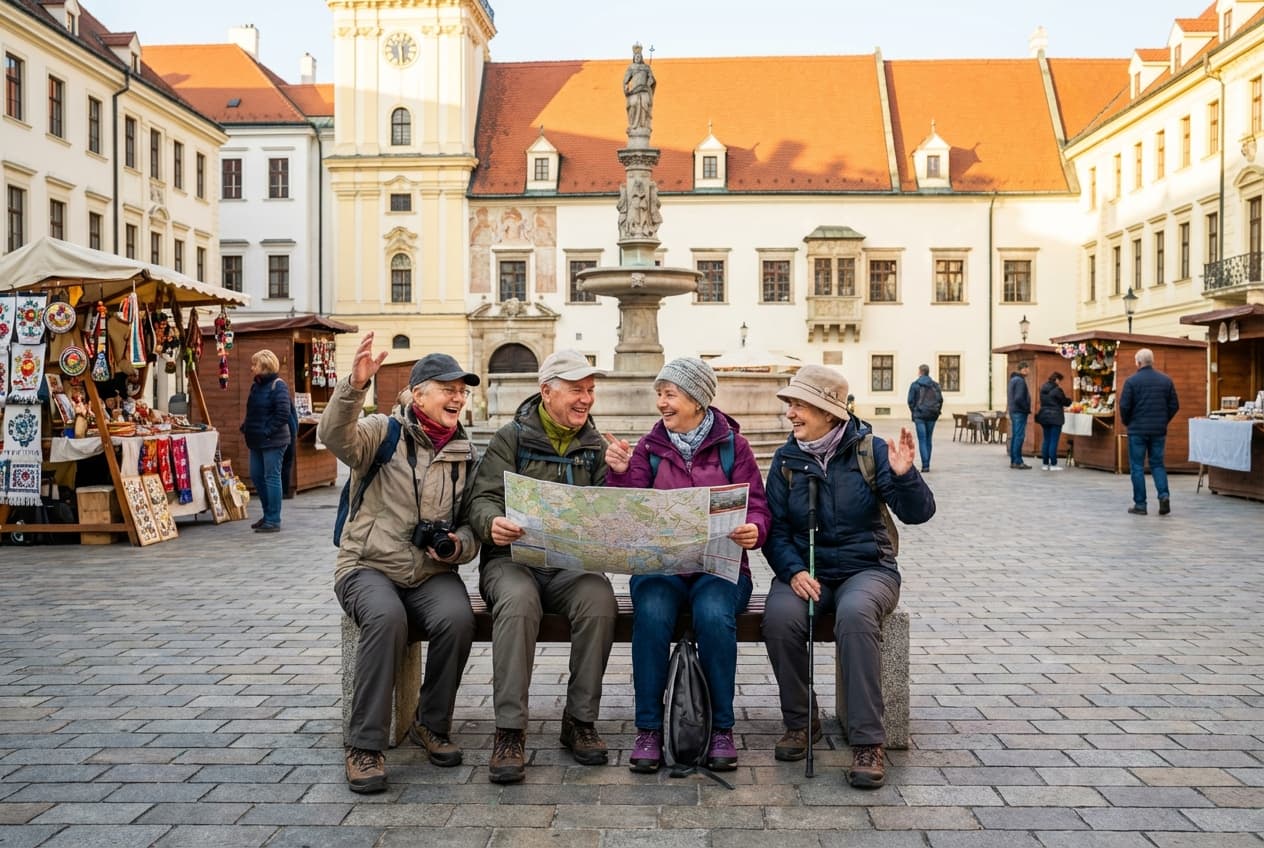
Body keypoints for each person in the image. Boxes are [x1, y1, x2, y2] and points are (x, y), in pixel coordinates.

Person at [318, 333, 481, 794]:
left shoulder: (465, 453)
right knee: (387, 619)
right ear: (417, 394)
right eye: (447, 387)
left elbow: (471, 525)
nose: (457, 396)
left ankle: (433, 723)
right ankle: (364, 745)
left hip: (430, 573)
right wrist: (354, 386)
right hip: (366, 565)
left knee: (457, 617)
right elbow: (334, 437)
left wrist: (455, 546)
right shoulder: (382, 432)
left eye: (462, 390)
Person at [761, 365, 935, 788]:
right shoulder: (787, 460)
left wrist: (904, 476)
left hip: (869, 569)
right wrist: (793, 570)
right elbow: (775, 529)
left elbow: (919, 514)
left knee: (855, 616)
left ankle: (867, 741)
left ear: (828, 411)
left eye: (799, 405)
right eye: (791, 406)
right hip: (807, 571)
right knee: (780, 618)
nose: (791, 414)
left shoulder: (870, 452)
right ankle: (802, 722)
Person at [604, 357, 771, 773]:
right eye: (659, 394)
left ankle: (721, 730)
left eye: (670, 394)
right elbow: (628, 512)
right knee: (653, 611)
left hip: (720, 567)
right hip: (662, 569)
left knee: (714, 614)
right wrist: (622, 475)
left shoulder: (735, 446)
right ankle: (649, 730)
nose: (661, 402)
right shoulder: (648, 447)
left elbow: (760, 508)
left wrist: (754, 529)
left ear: (697, 399)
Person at [467, 349, 617, 784]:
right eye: (576, 390)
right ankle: (510, 730)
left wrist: (623, 475)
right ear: (546, 391)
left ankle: (580, 721)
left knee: (599, 597)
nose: (586, 399)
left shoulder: (596, 447)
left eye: (590, 391)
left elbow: (613, 510)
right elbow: (482, 499)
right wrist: (490, 523)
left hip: (569, 564)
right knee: (517, 601)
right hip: (511, 561)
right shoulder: (509, 438)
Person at [1119, 348, 1179, 515]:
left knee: (1137, 466)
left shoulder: (1131, 381)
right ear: (1152, 361)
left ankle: (1140, 504)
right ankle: (1164, 496)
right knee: (1158, 464)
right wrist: (1163, 420)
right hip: (1158, 430)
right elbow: (1174, 405)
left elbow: (1124, 406)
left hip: (1137, 430)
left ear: (1138, 363)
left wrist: (1127, 421)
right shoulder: (1166, 380)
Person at [240, 349, 293, 532]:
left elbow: (283, 413)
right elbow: (253, 410)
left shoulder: (278, 386)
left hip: (273, 440)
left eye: (254, 364)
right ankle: (267, 514)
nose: (252, 368)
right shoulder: (256, 386)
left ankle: (273, 519)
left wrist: (266, 430)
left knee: (271, 477)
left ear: (264, 366)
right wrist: (246, 426)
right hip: (256, 439)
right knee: (256, 475)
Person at [906, 364, 942, 472]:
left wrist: (914, 412)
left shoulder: (915, 385)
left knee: (922, 439)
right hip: (932, 415)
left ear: (920, 372)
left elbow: (910, 401)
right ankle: (927, 463)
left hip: (920, 416)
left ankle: (925, 465)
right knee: (928, 439)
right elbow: (940, 400)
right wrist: (937, 411)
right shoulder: (935, 385)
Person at [1035, 371, 1072, 471]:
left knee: (1046, 440)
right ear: (1056, 380)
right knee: (1053, 440)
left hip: (1044, 416)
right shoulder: (1057, 390)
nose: (1060, 383)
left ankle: (1045, 463)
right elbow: (1065, 401)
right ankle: (1053, 464)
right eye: (1059, 380)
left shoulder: (1043, 388)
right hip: (1055, 417)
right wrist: (1070, 401)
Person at [622, 42, 655, 135]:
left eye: (639, 57)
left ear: (641, 58)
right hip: (634, 91)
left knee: (645, 104)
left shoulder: (646, 67)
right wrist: (626, 88)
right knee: (632, 105)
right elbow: (625, 80)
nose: (637, 58)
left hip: (644, 90)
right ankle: (633, 125)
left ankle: (643, 125)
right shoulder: (631, 67)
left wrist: (650, 82)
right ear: (634, 58)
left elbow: (651, 78)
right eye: (636, 57)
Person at [1007, 361, 1032, 469]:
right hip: (1019, 412)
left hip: (1014, 411)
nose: (1029, 371)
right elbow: (1019, 398)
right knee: (1019, 437)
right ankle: (1018, 461)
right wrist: (1026, 408)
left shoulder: (1013, 380)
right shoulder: (1020, 381)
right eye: (1028, 368)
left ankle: (1014, 460)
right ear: (1024, 369)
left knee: (1015, 436)